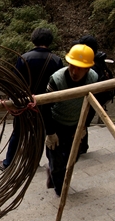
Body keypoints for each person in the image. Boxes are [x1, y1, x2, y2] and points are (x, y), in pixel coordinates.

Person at [0, 27, 63, 171]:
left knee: (18, 133)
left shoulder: (24, 58)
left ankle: (8, 163)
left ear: (33, 39)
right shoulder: (56, 60)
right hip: (46, 106)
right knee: (40, 133)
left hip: (24, 104)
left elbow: (15, 82)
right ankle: (34, 163)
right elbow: (59, 84)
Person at [41, 44, 98, 196]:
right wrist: (50, 132)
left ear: (88, 68)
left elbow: (93, 105)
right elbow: (45, 107)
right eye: (72, 66)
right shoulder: (57, 80)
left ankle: (53, 172)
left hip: (76, 124)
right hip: (56, 124)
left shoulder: (93, 78)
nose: (74, 71)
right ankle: (61, 190)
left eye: (80, 68)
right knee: (58, 162)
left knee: (74, 156)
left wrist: (84, 126)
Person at [73, 35, 115, 155]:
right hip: (98, 98)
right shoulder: (99, 59)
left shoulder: (92, 64)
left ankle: (79, 148)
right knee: (83, 123)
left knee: (81, 122)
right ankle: (81, 146)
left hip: (91, 99)